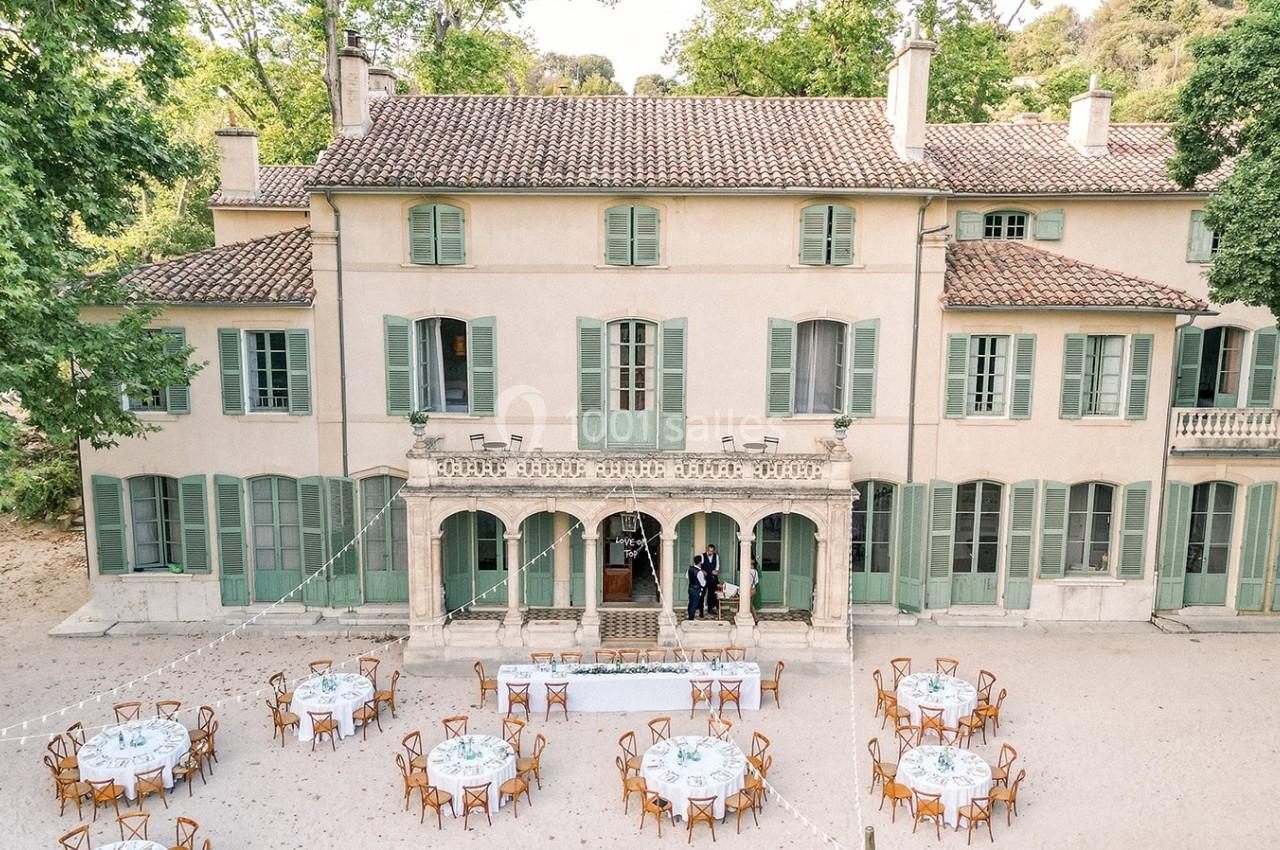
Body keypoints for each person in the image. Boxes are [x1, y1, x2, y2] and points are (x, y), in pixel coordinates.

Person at [701, 543, 720, 616]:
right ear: (707, 549)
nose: (710, 552)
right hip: (704, 578)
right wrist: (703, 571)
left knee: (711, 594)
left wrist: (716, 571)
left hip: (712, 578)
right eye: (709, 551)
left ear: (714, 551)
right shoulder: (702, 556)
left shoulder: (716, 556)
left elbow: (717, 567)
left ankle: (710, 609)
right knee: (702, 593)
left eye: (712, 551)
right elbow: (700, 567)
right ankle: (701, 610)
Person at [687, 554, 706, 620]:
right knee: (694, 604)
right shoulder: (699, 572)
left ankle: (690, 615)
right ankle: (691, 618)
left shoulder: (690, 569)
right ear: (700, 562)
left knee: (690, 603)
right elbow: (703, 584)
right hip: (696, 589)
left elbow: (687, 577)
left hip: (690, 588)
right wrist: (704, 577)